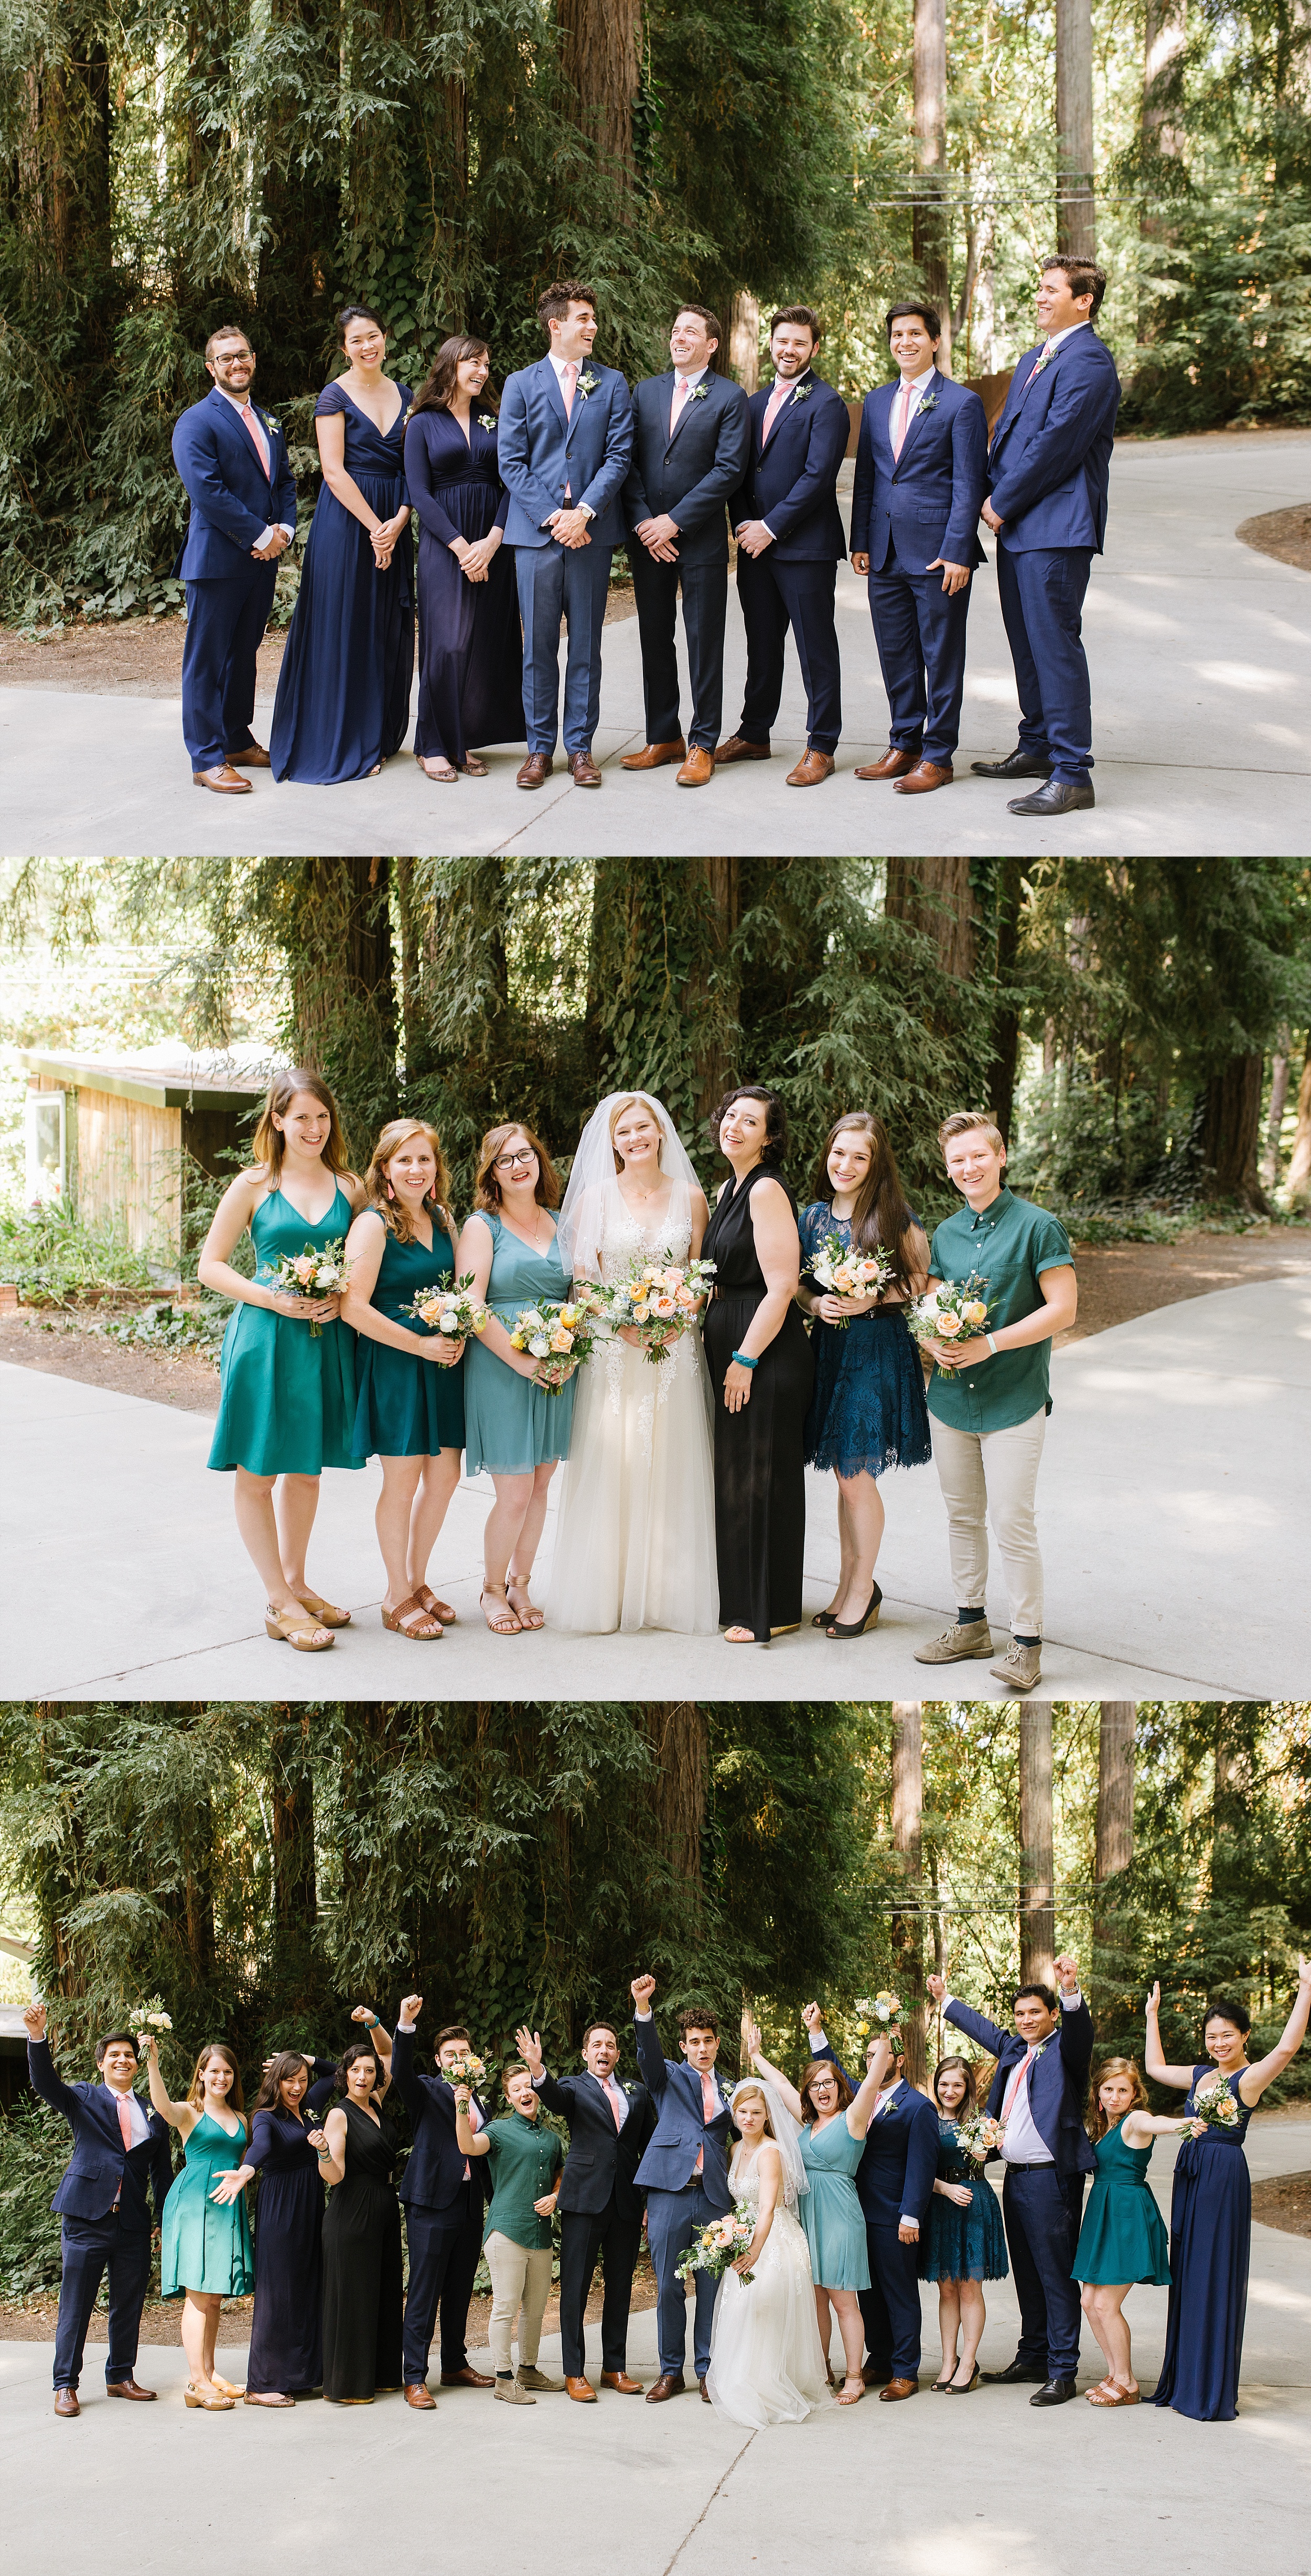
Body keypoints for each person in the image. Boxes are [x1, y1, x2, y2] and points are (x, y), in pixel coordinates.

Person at [200, 1068, 366, 1651]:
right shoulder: (254, 1185)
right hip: (266, 1339)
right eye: (302, 1118)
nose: (314, 1128)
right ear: (277, 1120)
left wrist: (342, 1299)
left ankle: (297, 1582)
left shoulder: (350, 1187)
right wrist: (271, 1296)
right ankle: (277, 1599)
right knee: (260, 1469)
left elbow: (369, 1261)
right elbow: (211, 1266)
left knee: (306, 1466)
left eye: (323, 1117)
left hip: (325, 1342)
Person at [912, 1109, 1077, 1694]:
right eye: (957, 1160)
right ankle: (969, 1624)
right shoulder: (947, 1232)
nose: (968, 1167)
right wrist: (935, 1341)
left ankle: (1026, 1643)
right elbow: (929, 1307)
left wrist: (989, 1344)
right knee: (962, 1517)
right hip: (951, 1401)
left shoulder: (1039, 1226)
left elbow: (1062, 1310)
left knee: (1011, 1520)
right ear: (948, 1169)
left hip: (1014, 1399)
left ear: (1000, 1155)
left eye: (978, 1155)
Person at [547, 1090, 717, 1636]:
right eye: (624, 1132)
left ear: (661, 1132)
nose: (635, 1138)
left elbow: (701, 1273)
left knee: (672, 1456)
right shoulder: (596, 1197)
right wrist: (622, 1323)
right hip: (615, 1351)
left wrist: (681, 1315)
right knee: (613, 1461)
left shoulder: (690, 1197)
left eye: (643, 1127)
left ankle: (668, 1596)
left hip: (674, 1350)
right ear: (612, 1142)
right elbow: (584, 1279)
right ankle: (607, 1591)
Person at [971, 256, 1121, 817]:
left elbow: (1056, 447)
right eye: (1038, 287)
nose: (1038, 297)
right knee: (1027, 644)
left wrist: (1000, 502)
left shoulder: (1089, 363)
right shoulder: (1035, 357)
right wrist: (981, 496)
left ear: (1083, 300)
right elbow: (1007, 435)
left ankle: (1072, 773)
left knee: (1055, 645)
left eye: (1050, 289)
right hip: (1019, 528)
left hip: (1056, 529)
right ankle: (1036, 745)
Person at [1147, 1960, 1311, 2420]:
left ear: (1244, 2036)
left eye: (1227, 2036)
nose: (1218, 2044)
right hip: (1192, 2175)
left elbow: (1286, 2047)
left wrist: (1306, 1989)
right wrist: (1152, 2017)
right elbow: (1155, 2067)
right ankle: (1184, 2381)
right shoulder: (1203, 2074)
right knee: (1189, 2271)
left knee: (1213, 2271)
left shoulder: (1250, 2078)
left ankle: (1209, 2388)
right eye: (1211, 2036)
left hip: (1222, 2177)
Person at [928, 1955, 1094, 2405]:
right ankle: (1034, 2354)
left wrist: (1071, 1987)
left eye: (1035, 2013)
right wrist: (947, 2001)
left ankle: (1063, 2369)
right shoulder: (1015, 2051)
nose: (1026, 2021)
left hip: (1051, 2180)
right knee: (1028, 2273)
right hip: (1016, 2180)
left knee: (1055, 2274)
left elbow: (1082, 2035)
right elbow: (985, 2031)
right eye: (1020, 2015)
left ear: (1053, 2014)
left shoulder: (1066, 2049)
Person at [798, 1111, 932, 1638]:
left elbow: (921, 1283)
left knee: (855, 1476)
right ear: (826, 1152)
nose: (846, 1165)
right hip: (830, 1350)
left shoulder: (896, 1217)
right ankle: (848, 1583)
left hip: (877, 1350)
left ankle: (864, 1589)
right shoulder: (811, 1218)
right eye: (839, 1152)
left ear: (876, 1165)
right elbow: (797, 1284)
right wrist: (817, 1304)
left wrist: (874, 1295)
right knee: (843, 1475)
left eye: (860, 1157)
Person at [498, 279, 633, 789]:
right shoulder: (520, 384)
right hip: (536, 538)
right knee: (537, 650)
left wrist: (586, 512)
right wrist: (556, 516)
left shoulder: (612, 383)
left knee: (585, 648)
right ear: (556, 326)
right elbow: (511, 461)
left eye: (593, 318)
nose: (593, 326)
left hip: (591, 537)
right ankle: (538, 750)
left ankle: (580, 748)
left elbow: (619, 455)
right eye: (583, 318)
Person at [269, 304, 413, 782]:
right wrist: (377, 527)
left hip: (395, 517)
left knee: (384, 627)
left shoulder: (406, 394)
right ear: (344, 348)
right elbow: (333, 471)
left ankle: (376, 733)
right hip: (350, 522)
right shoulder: (333, 397)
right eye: (357, 340)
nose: (368, 346)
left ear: (385, 337)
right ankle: (341, 740)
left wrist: (401, 518)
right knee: (347, 625)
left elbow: (414, 465)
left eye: (374, 336)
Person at [849, 304, 987, 796]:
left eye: (914, 334)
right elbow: (868, 475)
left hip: (937, 554)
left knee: (941, 655)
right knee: (896, 652)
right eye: (896, 334)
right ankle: (903, 742)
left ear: (935, 341)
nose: (904, 342)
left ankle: (938, 755)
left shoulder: (961, 404)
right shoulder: (878, 400)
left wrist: (958, 551)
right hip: (883, 551)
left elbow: (970, 484)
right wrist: (860, 540)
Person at [715, 306, 850, 787]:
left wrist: (769, 527)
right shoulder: (751, 405)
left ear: (814, 349)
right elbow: (735, 473)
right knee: (762, 645)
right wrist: (744, 525)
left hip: (805, 548)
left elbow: (818, 479)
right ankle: (755, 732)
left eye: (799, 343)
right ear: (770, 344)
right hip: (756, 549)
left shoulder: (826, 404)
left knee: (816, 649)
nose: (788, 350)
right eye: (782, 341)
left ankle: (822, 745)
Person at [343, 1118, 467, 1640]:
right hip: (397, 1362)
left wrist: (459, 1330)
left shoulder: (442, 1218)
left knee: (444, 1478)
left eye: (425, 1159)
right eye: (406, 1160)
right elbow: (352, 1307)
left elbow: (462, 1288)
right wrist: (418, 1343)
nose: (417, 1168)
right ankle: (395, 1596)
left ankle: (416, 1581)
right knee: (403, 1482)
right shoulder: (373, 1225)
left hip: (442, 1365)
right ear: (385, 1169)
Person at [619, 306, 751, 787]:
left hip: (699, 540)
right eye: (675, 329)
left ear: (711, 345)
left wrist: (674, 522)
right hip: (648, 541)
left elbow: (728, 470)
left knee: (703, 643)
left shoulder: (731, 398)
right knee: (654, 637)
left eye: (690, 331)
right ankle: (663, 737)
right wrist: (644, 525)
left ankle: (702, 744)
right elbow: (626, 461)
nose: (679, 337)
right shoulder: (645, 391)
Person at [455, 1122, 578, 1635]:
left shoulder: (562, 1222)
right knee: (514, 1490)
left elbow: (578, 1295)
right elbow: (469, 1304)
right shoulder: (484, 1226)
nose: (517, 1165)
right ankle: (492, 1590)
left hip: (558, 1365)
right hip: (503, 1367)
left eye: (525, 1154)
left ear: (540, 1159)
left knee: (542, 1481)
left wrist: (574, 1349)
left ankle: (522, 1582)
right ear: (492, 1173)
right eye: (504, 1160)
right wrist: (524, 1361)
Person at [701, 1086, 813, 1644]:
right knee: (736, 1475)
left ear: (769, 1138)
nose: (734, 1127)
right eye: (730, 1117)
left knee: (760, 1477)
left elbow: (783, 1285)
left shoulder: (765, 1189)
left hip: (763, 1347)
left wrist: (745, 1357)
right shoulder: (729, 1186)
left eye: (750, 1122)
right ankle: (742, 1597)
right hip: (729, 1336)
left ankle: (765, 1610)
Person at [23, 2004, 173, 2418]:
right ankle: (65, 2384)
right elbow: (46, 2084)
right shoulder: (84, 2097)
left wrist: (163, 2221)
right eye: (114, 2056)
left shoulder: (153, 2113)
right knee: (76, 2303)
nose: (123, 2060)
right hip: (86, 2217)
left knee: (129, 2302)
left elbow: (163, 2174)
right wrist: (38, 2036)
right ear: (102, 2064)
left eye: (129, 2055)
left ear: (136, 2064)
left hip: (132, 2223)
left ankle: (120, 2376)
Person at [170, 323, 297, 794]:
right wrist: (260, 533)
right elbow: (207, 491)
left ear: (254, 359)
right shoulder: (196, 421)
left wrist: (283, 528)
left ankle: (236, 739)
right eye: (225, 358)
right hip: (218, 560)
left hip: (262, 560)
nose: (236, 364)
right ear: (211, 367)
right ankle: (206, 757)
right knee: (207, 659)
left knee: (244, 655)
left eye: (242, 355)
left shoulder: (269, 420)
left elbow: (283, 480)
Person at [747, 2019, 896, 2404]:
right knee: (814, 2299)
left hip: (841, 2217)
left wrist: (884, 2034)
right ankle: (822, 2368)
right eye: (815, 2085)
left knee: (843, 2301)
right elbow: (780, 2085)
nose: (823, 2089)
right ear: (809, 2094)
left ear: (840, 2087)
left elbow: (874, 2076)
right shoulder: (806, 2124)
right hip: (807, 2219)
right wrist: (757, 2056)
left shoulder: (854, 2119)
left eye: (829, 2082)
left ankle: (854, 2376)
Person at [799, 2002, 939, 2396]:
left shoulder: (918, 2107)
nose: (870, 2061)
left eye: (878, 2055)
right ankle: (879, 2359)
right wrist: (816, 2031)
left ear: (899, 2059)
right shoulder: (857, 2097)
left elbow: (921, 2166)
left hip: (894, 2215)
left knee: (899, 2294)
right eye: (866, 2056)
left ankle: (906, 2370)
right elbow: (828, 2073)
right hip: (853, 2212)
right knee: (868, 2294)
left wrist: (912, 2214)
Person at [404, 334, 526, 781]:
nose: (482, 371)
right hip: (445, 544)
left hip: (493, 540)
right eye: (473, 362)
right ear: (450, 366)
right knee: (447, 642)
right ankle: (431, 745)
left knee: (482, 643)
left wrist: (493, 541)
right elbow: (419, 492)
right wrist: (460, 546)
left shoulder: (494, 421)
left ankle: (463, 741)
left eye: (487, 363)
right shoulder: (421, 423)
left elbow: (512, 481)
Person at [517, 2017, 656, 2399]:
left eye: (610, 2045)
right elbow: (556, 2101)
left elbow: (647, 2149)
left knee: (620, 2288)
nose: (604, 2051)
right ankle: (574, 2373)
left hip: (625, 2202)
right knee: (576, 2287)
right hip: (583, 2202)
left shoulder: (637, 2092)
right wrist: (536, 2068)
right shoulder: (572, 2087)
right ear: (585, 2053)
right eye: (597, 2045)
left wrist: (647, 2198)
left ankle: (615, 2367)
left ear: (617, 2053)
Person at [630, 1974, 738, 2402]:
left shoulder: (733, 2087)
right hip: (669, 2193)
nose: (703, 2048)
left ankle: (708, 2370)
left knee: (711, 2285)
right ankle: (670, 2371)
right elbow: (648, 2054)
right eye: (695, 2041)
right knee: (669, 2286)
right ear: (684, 2047)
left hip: (714, 2195)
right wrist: (643, 2009)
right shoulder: (667, 2077)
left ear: (716, 2043)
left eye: (709, 2040)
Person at [704, 2076, 832, 2427]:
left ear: (766, 2117)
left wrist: (756, 2250)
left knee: (765, 2307)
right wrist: (729, 2237)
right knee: (745, 2310)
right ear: (734, 2114)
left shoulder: (771, 2153)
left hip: (773, 2239)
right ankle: (746, 2380)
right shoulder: (734, 2150)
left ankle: (770, 2385)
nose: (748, 2118)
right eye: (742, 2111)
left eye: (756, 2112)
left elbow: (766, 2209)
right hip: (746, 2237)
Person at [389, 1996, 496, 2408]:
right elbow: (399, 2070)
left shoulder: (478, 2099)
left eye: (464, 2053)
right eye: (451, 2054)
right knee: (424, 2289)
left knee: (459, 2288)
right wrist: (405, 2025)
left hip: (469, 2203)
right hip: (431, 2204)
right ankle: (414, 2376)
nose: (458, 2059)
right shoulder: (426, 2091)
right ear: (438, 2060)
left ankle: (454, 2362)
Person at [143, 2034, 254, 2410]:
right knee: (198, 2293)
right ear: (202, 2074)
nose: (221, 2077)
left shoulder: (242, 2119)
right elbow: (160, 2105)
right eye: (215, 2071)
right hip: (193, 2205)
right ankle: (196, 2383)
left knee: (215, 2298)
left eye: (228, 2072)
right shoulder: (190, 2112)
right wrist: (153, 2062)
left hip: (226, 2208)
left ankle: (210, 2373)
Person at [222, 2049, 332, 2405]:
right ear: (276, 2082)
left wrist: (306, 2059)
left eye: (302, 2080)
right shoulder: (266, 2117)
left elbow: (341, 2074)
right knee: (278, 2292)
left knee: (306, 2288)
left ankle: (299, 2376)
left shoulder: (312, 2102)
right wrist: (247, 2170)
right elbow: (262, 2147)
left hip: (312, 2205)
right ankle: (262, 2384)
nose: (297, 2088)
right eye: (289, 2080)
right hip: (281, 2209)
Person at [1071, 2056, 1181, 2407]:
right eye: (1108, 2089)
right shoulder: (1103, 2127)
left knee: (1106, 2304)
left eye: (1123, 2090)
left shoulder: (1135, 2120)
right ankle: (1116, 2373)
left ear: (1134, 2095)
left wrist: (1188, 2123)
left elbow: (1156, 2122)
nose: (1115, 2096)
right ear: (1098, 2093)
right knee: (1089, 2302)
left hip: (1127, 2216)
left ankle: (1126, 2382)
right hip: (1103, 2215)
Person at [453, 2060, 564, 2404]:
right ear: (509, 2097)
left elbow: (561, 2174)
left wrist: (557, 2197)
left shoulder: (552, 2138)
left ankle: (528, 2370)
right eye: (516, 2089)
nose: (525, 2092)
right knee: (505, 2306)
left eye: (529, 2086)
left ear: (539, 2092)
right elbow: (468, 2147)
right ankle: (503, 2378)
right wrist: (461, 2105)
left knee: (536, 2308)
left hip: (541, 2235)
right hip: (507, 2232)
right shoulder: (499, 2131)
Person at [316, 2029, 404, 2404]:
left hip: (384, 2204)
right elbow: (334, 2174)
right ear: (345, 2074)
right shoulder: (340, 2113)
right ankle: (348, 2385)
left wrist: (376, 2022)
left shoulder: (377, 2103)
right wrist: (322, 2152)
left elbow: (389, 2050)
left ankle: (383, 2376)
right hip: (352, 2208)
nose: (364, 2077)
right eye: (356, 2070)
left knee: (384, 2291)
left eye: (369, 2070)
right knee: (354, 2297)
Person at [919, 2054, 1008, 2392]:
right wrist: (942, 2188)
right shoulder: (925, 2119)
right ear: (936, 2085)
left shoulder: (982, 2119)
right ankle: (948, 2360)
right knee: (946, 2287)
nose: (950, 2090)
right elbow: (914, 2169)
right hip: (940, 2202)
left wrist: (990, 2149)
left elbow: (1004, 2147)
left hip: (973, 2203)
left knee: (970, 2286)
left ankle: (969, 2362)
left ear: (968, 2086)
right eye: (944, 2084)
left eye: (958, 2084)